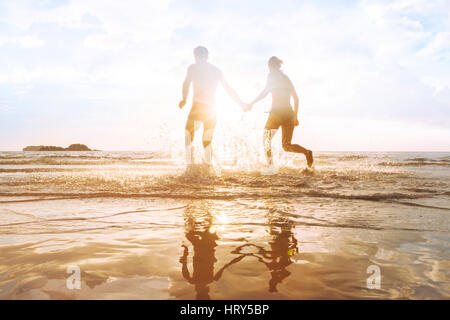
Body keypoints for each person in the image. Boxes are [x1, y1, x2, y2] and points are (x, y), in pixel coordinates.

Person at [179, 46, 245, 166]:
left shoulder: (193, 68)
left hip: (198, 108)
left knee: (189, 136)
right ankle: (208, 166)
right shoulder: (216, 70)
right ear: (207, 56)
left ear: (195, 56)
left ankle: (191, 165)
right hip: (211, 110)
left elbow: (186, 83)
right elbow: (229, 89)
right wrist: (241, 104)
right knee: (206, 139)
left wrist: (184, 99)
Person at [245, 56, 313, 168]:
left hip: (276, 114)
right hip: (289, 114)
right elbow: (296, 98)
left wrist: (251, 103)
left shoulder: (271, 76)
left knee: (266, 140)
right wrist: (295, 117)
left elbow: (264, 92)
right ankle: (307, 152)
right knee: (286, 146)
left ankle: (271, 166)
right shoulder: (286, 78)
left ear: (271, 66)